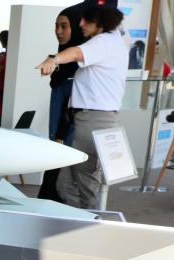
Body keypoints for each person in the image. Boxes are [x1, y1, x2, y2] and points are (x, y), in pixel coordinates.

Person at [37, 5, 127, 210]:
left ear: (100, 23)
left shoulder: (104, 41)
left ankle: (91, 221)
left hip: (93, 120)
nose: (81, 24)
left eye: (86, 20)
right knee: (65, 183)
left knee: (86, 181)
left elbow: (77, 53)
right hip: (88, 119)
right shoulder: (113, 42)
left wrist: (54, 59)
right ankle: (80, 219)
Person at [37, 7, 84, 202]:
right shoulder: (63, 68)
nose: (58, 31)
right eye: (56, 26)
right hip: (58, 143)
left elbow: (71, 108)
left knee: (63, 183)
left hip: (65, 141)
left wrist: (59, 136)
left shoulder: (78, 69)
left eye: (64, 26)